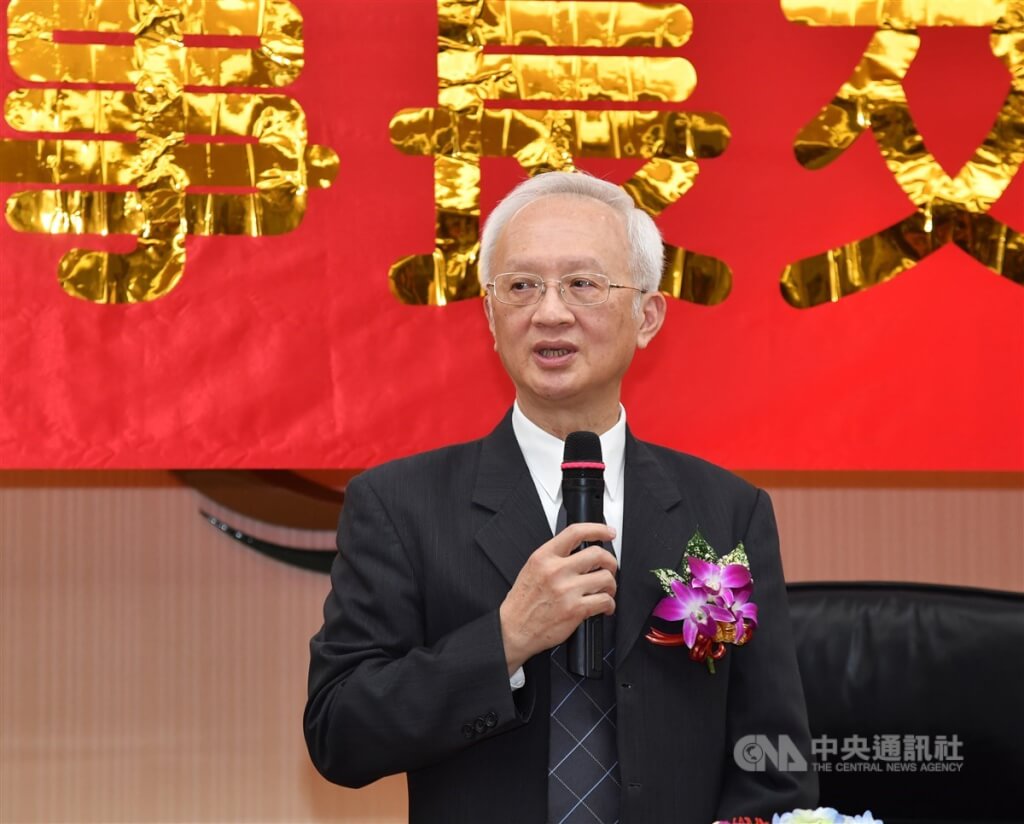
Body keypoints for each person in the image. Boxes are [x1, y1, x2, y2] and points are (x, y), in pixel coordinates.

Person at [304, 172, 817, 823]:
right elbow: (340, 733)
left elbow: (773, 759)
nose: (550, 312)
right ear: (491, 317)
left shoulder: (727, 511)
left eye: (583, 283)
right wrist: (505, 640)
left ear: (647, 317)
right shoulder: (400, 506)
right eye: (521, 286)